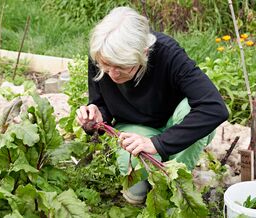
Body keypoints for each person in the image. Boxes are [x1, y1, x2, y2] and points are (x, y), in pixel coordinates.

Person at [76, 6, 228, 205]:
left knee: (192, 112)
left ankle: (175, 179)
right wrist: (94, 119)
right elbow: (101, 104)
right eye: (106, 66)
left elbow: (215, 108)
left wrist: (158, 144)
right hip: (135, 128)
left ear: (144, 53)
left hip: (175, 122)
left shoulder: (168, 54)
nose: (112, 74)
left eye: (121, 67)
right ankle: (161, 175)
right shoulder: (101, 54)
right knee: (136, 193)